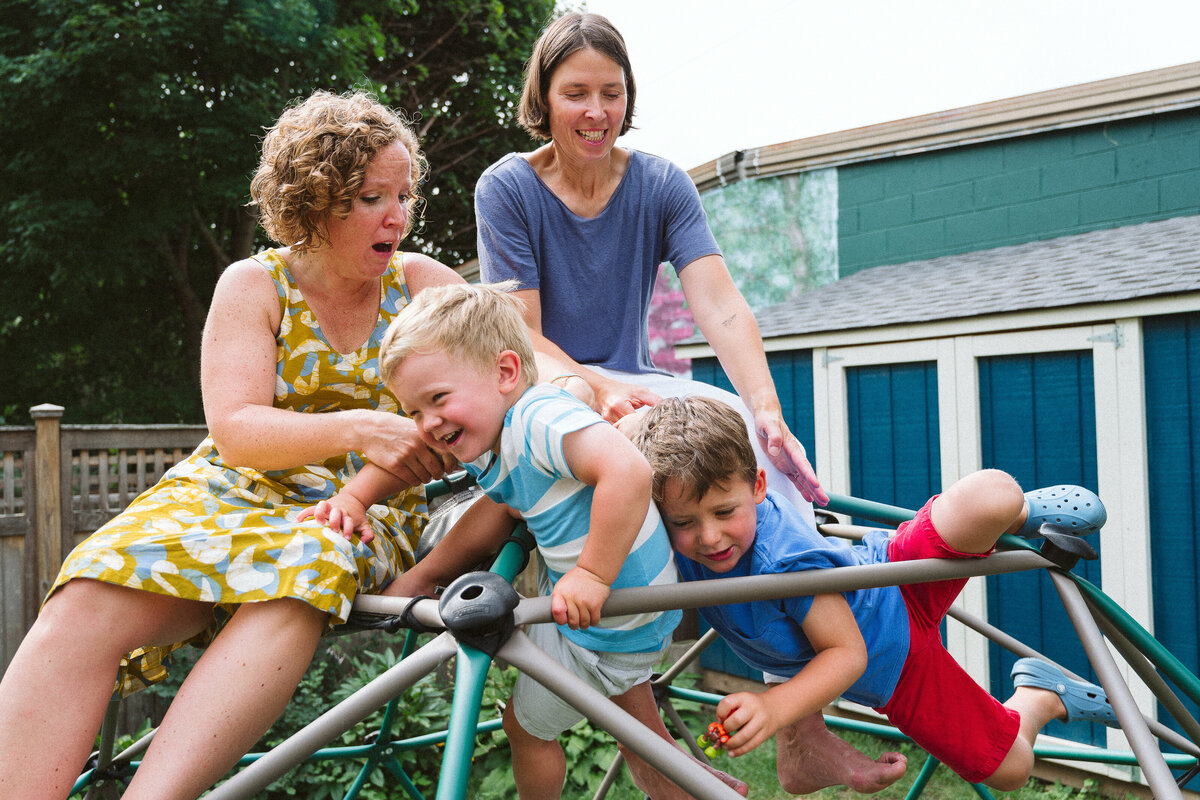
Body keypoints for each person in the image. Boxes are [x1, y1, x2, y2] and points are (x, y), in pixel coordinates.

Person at [0, 90, 465, 800]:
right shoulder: (256, 284)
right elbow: (238, 431)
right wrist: (359, 425)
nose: (397, 215)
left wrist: (591, 384)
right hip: (232, 488)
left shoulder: (425, 287)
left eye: (405, 194)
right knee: (87, 589)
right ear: (314, 201)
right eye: (373, 197)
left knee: (311, 562)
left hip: (357, 507)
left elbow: (505, 369)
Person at [304, 282, 748, 799]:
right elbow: (436, 477)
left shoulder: (539, 418)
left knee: (524, 729)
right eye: (414, 411)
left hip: (606, 623)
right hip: (611, 617)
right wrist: (357, 500)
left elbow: (627, 471)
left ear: (505, 372)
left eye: (437, 400)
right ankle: (704, 789)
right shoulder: (491, 431)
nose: (427, 423)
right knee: (638, 735)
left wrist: (591, 573)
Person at [631, 396, 1115, 794]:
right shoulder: (682, 541)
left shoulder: (784, 560)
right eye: (684, 523)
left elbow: (846, 654)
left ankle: (1020, 515)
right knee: (1009, 768)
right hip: (902, 669)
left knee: (991, 496)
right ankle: (1039, 695)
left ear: (758, 486)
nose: (710, 537)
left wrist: (774, 708)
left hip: (889, 581)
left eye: (723, 512)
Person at [474, 11, 829, 526]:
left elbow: (720, 305)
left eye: (611, 93)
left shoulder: (662, 184)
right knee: (628, 462)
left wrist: (766, 409)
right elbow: (520, 333)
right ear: (543, 99)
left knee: (747, 436)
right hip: (548, 386)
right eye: (576, 93)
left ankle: (793, 582)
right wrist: (598, 389)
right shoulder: (506, 189)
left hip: (638, 386)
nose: (597, 112)